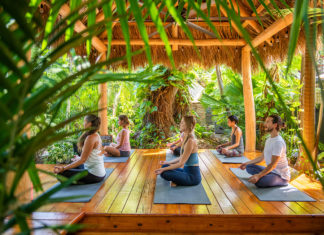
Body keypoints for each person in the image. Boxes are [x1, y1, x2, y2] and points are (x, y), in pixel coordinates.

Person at [239, 114, 290, 188]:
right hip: (271, 171)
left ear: (275, 125)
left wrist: (258, 176)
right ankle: (264, 176)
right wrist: (246, 163)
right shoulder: (269, 139)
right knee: (249, 166)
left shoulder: (278, 142)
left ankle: (277, 181)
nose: (265, 124)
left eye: (268, 122)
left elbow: (273, 165)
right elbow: (261, 157)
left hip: (281, 176)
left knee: (260, 182)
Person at [53, 115, 106, 184]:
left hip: (94, 174)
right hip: (99, 172)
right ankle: (79, 180)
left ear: (89, 123)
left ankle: (80, 181)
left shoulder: (90, 138)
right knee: (74, 165)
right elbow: (90, 156)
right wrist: (79, 158)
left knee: (61, 174)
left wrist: (63, 168)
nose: (83, 123)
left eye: (84, 121)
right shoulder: (96, 134)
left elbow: (83, 160)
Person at [155, 115, 201, 187]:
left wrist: (163, 169)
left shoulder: (190, 141)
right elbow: (182, 157)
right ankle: (178, 180)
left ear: (188, 125)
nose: (180, 124)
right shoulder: (186, 137)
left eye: (182, 123)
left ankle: (178, 181)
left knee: (164, 173)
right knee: (164, 166)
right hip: (185, 171)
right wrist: (167, 162)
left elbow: (181, 163)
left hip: (192, 177)